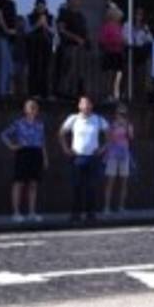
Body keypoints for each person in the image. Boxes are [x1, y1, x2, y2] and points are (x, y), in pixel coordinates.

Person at [58, 95, 108, 223]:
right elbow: (62, 133)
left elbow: (109, 134)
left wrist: (103, 148)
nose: (85, 106)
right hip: (77, 157)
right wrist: (65, 148)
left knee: (92, 187)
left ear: (91, 106)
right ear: (79, 106)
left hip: (93, 157)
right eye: (83, 104)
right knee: (77, 186)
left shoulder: (98, 119)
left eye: (88, 104)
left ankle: (91, 214)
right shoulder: (73, 118)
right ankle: (76, 214)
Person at [0, 97, 48, 222]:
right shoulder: (19, 123)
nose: (33, 110)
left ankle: (32, 212)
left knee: (33, 184)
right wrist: (12, 145)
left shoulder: (40, 125)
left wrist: (44, 157)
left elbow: (42, 142)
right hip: (23, 152)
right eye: (30, 107)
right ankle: (16, 212)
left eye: (35, 108)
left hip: (36, 152)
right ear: (25, 110)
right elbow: (4, 134)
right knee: (19, 183)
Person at [55, 0, 90, 98]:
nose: (74, 2)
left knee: (80, 71)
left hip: (81, 47)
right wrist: (76, 38)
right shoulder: (64, 14)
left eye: (75, 0)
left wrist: (85, 41)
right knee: (69, 69)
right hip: (69, 46)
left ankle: (78, 92)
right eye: (71, 0)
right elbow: (61, 30)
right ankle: (65, 92)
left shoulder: (81, 16)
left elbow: (84, 31)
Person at [103, 104, 135, 214]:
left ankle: (121, 206)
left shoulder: (128, 125)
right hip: (112, 154)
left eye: (123, 114)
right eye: (119, 113)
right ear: (115, 114)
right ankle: (106, 207)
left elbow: (131, 138)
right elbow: (108, 139)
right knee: (110, 181)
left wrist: (126, 127)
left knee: (124, 182)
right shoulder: (111, 125)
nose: (121, 116)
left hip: (124, 154)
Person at [26, 0, 55, 98]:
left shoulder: (50, 17)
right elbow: (27, 31)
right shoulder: (29, 17)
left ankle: (45, 93)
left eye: (42, 6)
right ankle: (34, 92)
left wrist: (46, 25)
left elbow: (53, 32)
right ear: (36, 6)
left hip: (46, 46)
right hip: (33, 47)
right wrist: (37, 25)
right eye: (39, 6)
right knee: (34, 69)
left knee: (45, 70)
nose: (41, 8)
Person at [97, 5, 126, 104]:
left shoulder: (119, 27)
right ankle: (107, 94)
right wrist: (113, 42)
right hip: (109, 53)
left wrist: (122, 42)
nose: (119, 18)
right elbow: (101, 40)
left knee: (116, 75)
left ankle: (114, 94)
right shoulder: (107, 26)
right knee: (109, 75)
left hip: (118, 53)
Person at [124, 7, 153, 96]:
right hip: (130, 50)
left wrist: (146, 31)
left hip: (140, 52)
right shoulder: (128, 25)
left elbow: (150, 39)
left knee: (141, 74)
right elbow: (124, 37)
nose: (139, 17)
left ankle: (140, 92)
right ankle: (126, 92)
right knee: (129, 73)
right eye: (137, 14)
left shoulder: (144, 26)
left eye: (141, 15)